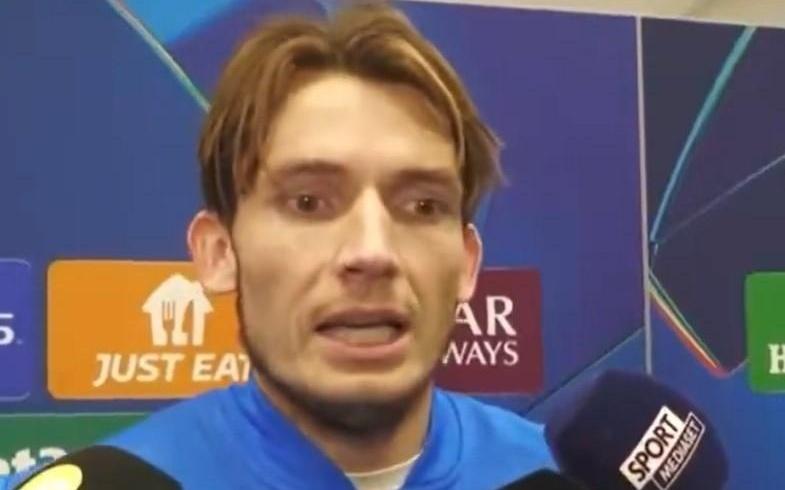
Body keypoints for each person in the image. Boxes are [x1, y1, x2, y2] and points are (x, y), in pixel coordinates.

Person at [2, 3, 554, 489]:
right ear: (220, 253)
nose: (372, 252)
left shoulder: (561, 475)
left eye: (422, 206)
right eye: (308, 202)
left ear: (467, 264)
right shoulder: (119, 482)